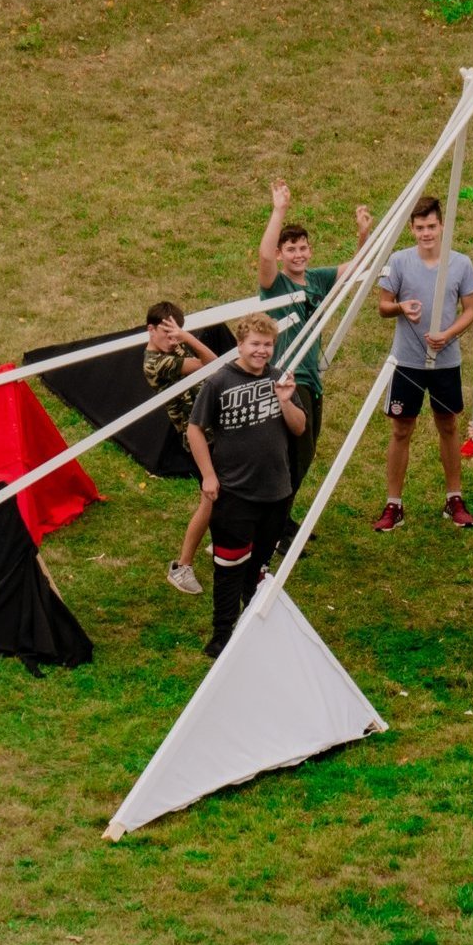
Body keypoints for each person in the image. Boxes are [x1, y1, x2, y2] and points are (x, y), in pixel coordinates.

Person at [186, 313, 308, 657]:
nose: (262, 351)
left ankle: (252, 626)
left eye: (267, 345)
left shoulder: (278, 378)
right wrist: (209, 475)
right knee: (228, 567)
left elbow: (299, 428)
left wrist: (285, 400)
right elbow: (195, 429)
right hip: (234, 494)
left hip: (276, 493)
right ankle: (222, 634)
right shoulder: (220, 382)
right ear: (240, 345)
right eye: (255, 344)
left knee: (258, 567)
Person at [257, 178, 372, 518]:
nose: (299, 254)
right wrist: (279, 210)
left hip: (313, 378)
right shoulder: (275, 284)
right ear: (281, 254)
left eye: (303, 248)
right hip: (289, 378)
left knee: (304, 455)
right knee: (296, 453)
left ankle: (280, 519)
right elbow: (264, 256)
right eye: (290, 249)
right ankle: (275, 523)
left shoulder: (318, 279)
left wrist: (362, 235)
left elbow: (358, 268)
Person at [374, 195, 473, 531]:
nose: (426, 233)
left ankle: (454, 498)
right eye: (420, 228)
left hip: (446, 361)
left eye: (431, 226)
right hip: (407, 360)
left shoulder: (460, 263)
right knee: (401, 429)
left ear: (442, 226)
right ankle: (394, 504)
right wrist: (402, 308)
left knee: (448, 426)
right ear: (412, 228)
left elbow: (471, 311)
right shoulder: (400, 261)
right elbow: (383, 306)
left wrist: (447, 334)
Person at [141, 300, 221, 595]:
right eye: (168, 333)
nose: (173, 339)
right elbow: (215, 366)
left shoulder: (171, 348)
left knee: (221, 492)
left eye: (177, 333)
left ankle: (220, 542)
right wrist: (186, 339)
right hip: (197, 438)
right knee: (210, 498)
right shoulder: (157, 363)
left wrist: (181, 338)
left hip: (211, 430)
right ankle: (182, 566)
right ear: (151, 330)